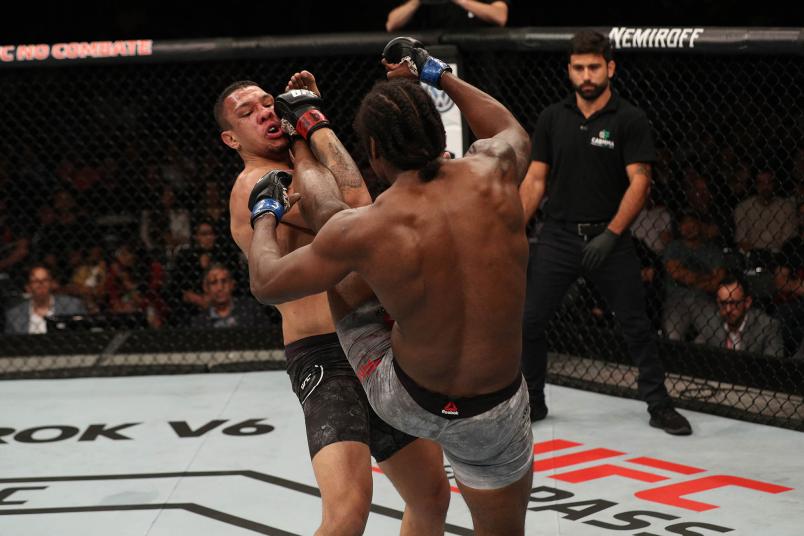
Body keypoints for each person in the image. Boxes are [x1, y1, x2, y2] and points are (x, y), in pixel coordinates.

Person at [247, 37, 534, 535]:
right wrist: (434, 73)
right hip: (495, 409)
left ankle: (306, 131)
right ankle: (310, 128)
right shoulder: (496, 173)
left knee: (345, 250)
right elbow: (510, 128)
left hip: (403, 395)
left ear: (375, 152)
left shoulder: (370, 227)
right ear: (435, 128)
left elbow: (268, 282)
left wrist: (267, 213)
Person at [215, 75, 450, 535]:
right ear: (231, 138)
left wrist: (306, 132)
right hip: (326, 356)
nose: (264, 112)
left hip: (374, 342)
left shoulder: (303, 171)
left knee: (430, 496)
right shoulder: (257, 183)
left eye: (269, 103)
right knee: (345, 516)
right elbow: (356, 206)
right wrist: (312, 127)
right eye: (248, 113)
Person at [518, 30, 692, 435]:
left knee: (635, 323)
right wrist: (512, 229)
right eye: (578, 67)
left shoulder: (628, 118)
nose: (586, 75)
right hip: (558, 235)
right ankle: (534, 401)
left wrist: (612, 234)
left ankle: (659, 403)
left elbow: (640, 181)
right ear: (569, 70)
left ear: (609, 67)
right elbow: (535, 181)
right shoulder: (552, 118)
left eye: (594, 66)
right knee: (530, 321)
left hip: (608, 237)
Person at [662, 212, 726, 342]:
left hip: (704, 300)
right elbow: (678, 275)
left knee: (718, 333)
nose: (688, 227)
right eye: (684, 223)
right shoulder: (675, 247)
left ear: (700, 225)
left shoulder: (712, 250)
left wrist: (691, 277)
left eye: (692, 222)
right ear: (679, 228)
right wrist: (707, 277)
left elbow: (716, 283)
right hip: (677, 299)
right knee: (673, 336)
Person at [695, 276, 784, 357]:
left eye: (733, 303)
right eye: (723, 303)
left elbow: (773, 368)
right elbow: (695, 354)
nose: (728, 309)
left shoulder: (768, 326)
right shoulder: (711, 322)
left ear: (747, 302)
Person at [5, 264, 86, 334]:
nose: (41, 284)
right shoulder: (14, 315)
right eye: (35, 281)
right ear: (28, 287)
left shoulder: (72, 306)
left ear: (52, 284)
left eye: (45, 280)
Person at [190, 263, 267, 329]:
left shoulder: (250, 309)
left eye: (224, 281)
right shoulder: (200, 322)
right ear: (206, 287)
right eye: (214, 282)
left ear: (232, 284)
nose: (220, 288)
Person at [386, 0, 509, 32]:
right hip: (438, 62)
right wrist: (416, 2)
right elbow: (391, 23)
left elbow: (500, 16)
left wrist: (462, 1)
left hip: (478, 65)